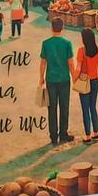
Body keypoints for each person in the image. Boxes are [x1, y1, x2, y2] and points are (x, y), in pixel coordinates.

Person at [39, 17, 76, 145]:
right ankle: (63, 134)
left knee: (52, 108)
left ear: (51, 28)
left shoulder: (46, 43)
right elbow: (70, 63)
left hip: (50, 80)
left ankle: (53, 136)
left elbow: (43, 63)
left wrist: (41, 78)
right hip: (64, 80)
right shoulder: (67, 43)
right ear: (63, 28)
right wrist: (75, 77)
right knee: (64, 107)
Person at [74, 27, 98, 143]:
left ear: (84, 39)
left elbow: (78, 68)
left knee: (85, 109)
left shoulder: (82, 51)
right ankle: (96, 133)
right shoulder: (97, 51)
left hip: (84, 82)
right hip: (95, 80)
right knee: (93, 107)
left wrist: (74, 80)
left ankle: (87, 135)